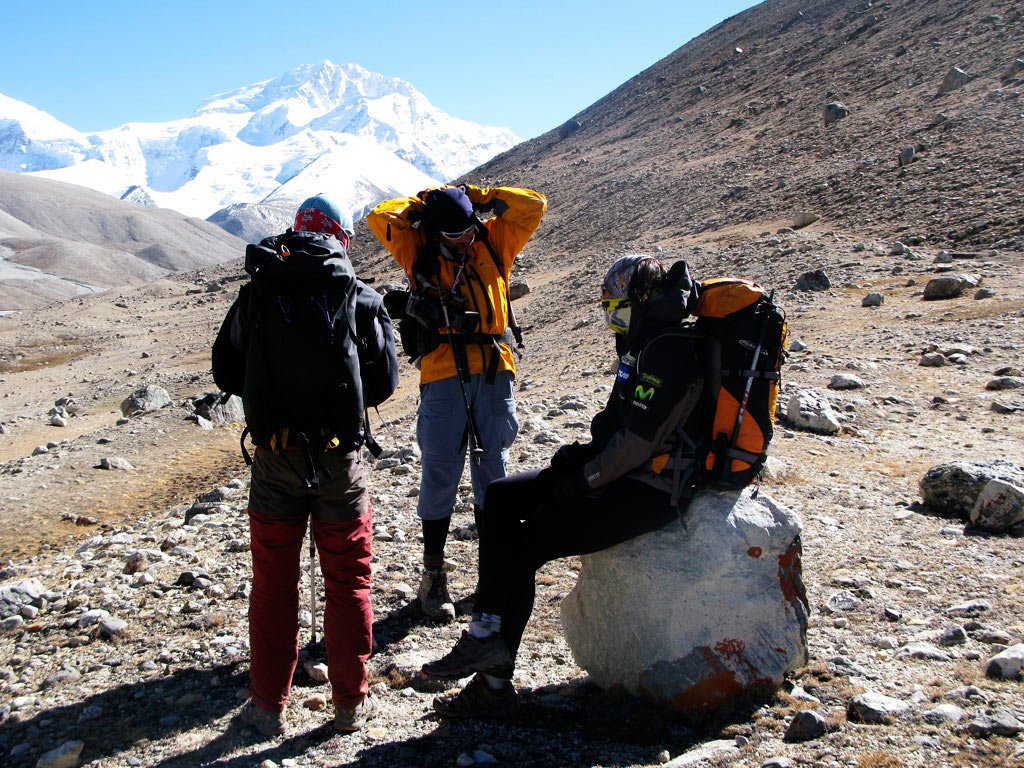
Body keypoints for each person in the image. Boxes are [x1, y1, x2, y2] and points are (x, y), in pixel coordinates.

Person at [419, 255, 707, 718]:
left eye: (618, 310)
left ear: (642, 303)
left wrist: (581, 480)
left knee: (527, 541)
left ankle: (491, 676)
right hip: (623, 473)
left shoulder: (668, 351)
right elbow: (617, 424)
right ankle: (485, 633)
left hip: (651, 491)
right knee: (501, 496)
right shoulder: (645, 345)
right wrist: (579, 458)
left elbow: (638, 441)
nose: (613, 322)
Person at [215, 194, 398, 736]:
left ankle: (268, 706)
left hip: (274, 456)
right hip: (340, 459)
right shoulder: (358, 294)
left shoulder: (261, 289)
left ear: (294, 233)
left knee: (273, 582)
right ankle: (348, 705)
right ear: (341, 237)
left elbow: (226, 371)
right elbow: (384, 382)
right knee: (349, 580)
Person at [367, 183, 547, 618]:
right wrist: (423, 204)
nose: (465, 239)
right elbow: (379, 217)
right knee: (440, 474)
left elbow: (534, 206)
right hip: (443, 369)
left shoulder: (493, 237)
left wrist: (477, 195)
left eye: (468, 229)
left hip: (493, 367)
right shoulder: (417, 248)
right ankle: (433, 576)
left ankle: (491, 578)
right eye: (454, 235)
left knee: (494, 473)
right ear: (435, 231)